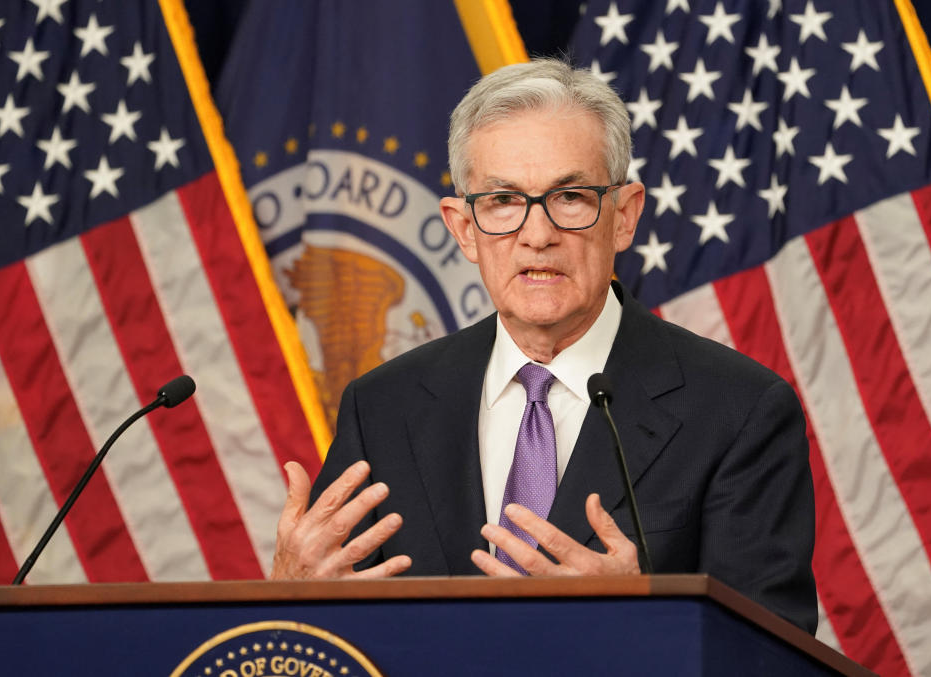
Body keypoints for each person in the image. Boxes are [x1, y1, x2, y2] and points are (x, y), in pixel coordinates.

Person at [271, 58, 817, 633]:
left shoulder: (740, 412)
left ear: (624, 217)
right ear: (463, 229)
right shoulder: (383, 406)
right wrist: (286, 598)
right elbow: (323, 645)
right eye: (503, 201)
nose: (537, 234)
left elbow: (769, 655)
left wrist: (646, 624)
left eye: (571, 196)